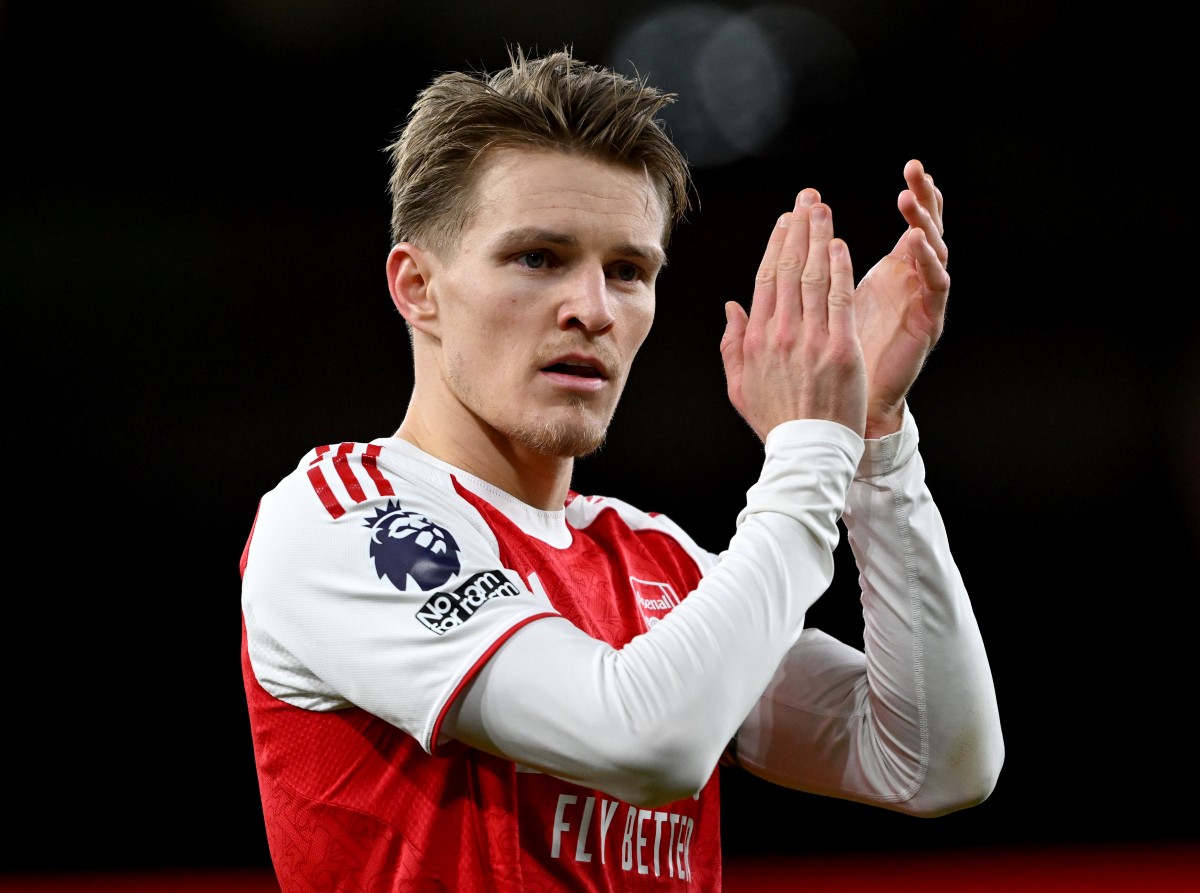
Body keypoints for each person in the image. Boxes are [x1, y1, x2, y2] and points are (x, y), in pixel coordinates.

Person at [239, 45, 1004, 892]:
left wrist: (872, 443)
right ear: (418, 287)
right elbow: (646, 742)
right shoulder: (340, 516)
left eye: (629, 270)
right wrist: (809, 449)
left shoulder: (656, 559)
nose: (594, 310)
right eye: (538, 258)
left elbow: (934, 761)